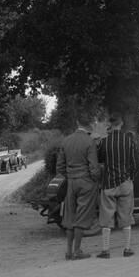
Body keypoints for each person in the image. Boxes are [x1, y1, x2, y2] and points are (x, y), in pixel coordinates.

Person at [56, 111, 100, 261]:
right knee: (82, 216)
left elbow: (59, 167)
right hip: (86, 182)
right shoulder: (89, 142)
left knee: (69, 216)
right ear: (89, 125)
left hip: (71, 181)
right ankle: (77, 251)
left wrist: (69, 175)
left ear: (77, 123)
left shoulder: (66, 141)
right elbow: (94, 167)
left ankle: (68, 251)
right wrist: (95, 180)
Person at [97, 112, 139, 258]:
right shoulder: (129, 141)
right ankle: (127, 249)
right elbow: (136, 164)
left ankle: (105, 251)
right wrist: (130, 178)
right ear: (121, 124)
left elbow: (100, 159)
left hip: (109, 183)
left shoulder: (104, 142)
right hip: (125, 182)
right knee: (126, 216)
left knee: (106, 217)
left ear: (110, 124)